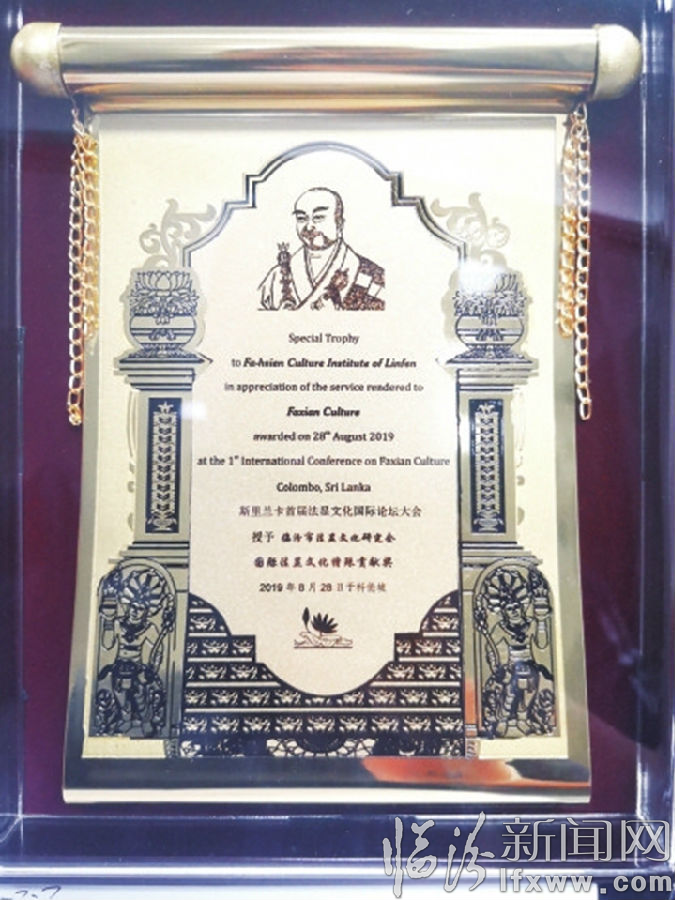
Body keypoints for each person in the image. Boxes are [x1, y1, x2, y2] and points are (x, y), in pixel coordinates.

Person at [259, 187, 385, 311]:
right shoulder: (277, 275)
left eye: (318, 217)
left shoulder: (372, 276)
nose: (309, 226)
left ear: (339, 223)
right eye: (301, 218)